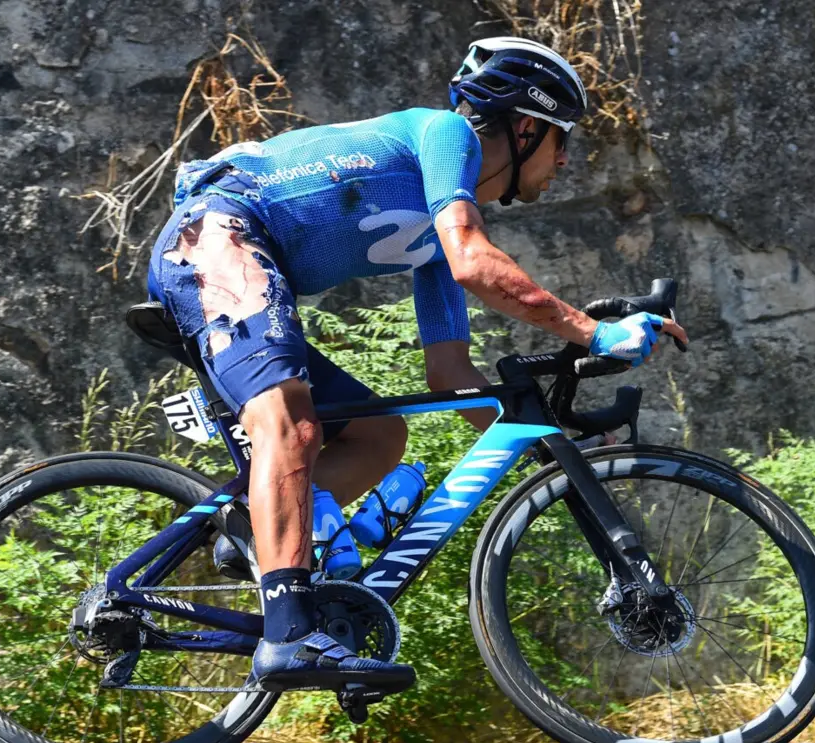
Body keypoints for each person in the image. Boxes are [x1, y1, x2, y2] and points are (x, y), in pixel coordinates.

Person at [146, 36, 689, 692]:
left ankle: (252, 530)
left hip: (242, 258)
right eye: (561, 138)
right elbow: (476, 263)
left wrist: (549, 446)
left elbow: (451, 379)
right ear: (525, 127)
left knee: (380, 436)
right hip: (215, 236)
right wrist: (594, 333)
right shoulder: (447, 136)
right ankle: (290, 634)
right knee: (289, 427)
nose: (566, 159)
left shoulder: (442, 223)